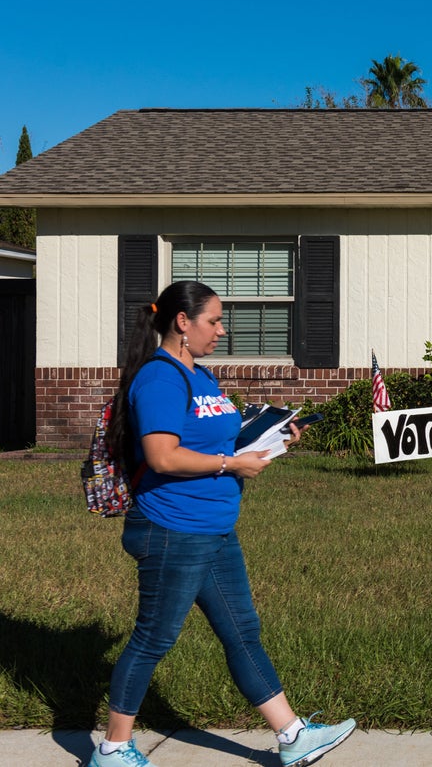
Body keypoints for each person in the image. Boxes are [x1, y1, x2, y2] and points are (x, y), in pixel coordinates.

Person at [92, 280, 355, 767]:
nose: (222, 328)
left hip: (212, 530)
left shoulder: (203, 376)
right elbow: (163, 455)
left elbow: (219, 439)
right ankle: (112, 750)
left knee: (241, 633)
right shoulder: (160, 379)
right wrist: (231, 466)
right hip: (172, 530)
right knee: (154, 638)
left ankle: (293, 735)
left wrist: (274, 439)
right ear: (181, 323)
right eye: (213, 320)